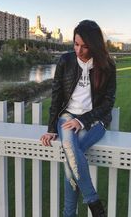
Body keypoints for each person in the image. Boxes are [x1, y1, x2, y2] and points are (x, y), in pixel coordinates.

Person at [40, 19, 116, 217]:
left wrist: (83, 120)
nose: (78, 50)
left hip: (95, 120)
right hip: (67, 115)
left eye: (84, 46)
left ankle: (69, 214)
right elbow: (56, 96)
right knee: (72, 149)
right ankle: (94, 202)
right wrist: (51, 129)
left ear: (95, 46)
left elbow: (108, 103)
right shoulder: (66, 61)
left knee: (71, 156)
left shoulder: (107, 66)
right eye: (75, 44)